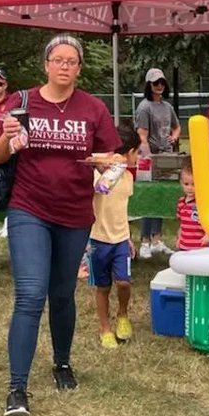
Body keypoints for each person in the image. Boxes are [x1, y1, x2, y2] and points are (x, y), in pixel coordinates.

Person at [0, 34, 118, 416]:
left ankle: (62, 363)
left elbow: (112, 158)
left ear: (79, 68)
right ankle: (17, 388)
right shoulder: (23, 101)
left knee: (62, 294)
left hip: (75, 211)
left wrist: (103, 163)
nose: (64, 66)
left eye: (71, 61)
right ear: (46, 65)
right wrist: (7, 138)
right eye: (57, 60)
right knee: (30, 294)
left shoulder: (93, 108)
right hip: (29, 208)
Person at [88, 123, 141, 350]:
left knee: (123, 282)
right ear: (128, 153)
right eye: (137, 152)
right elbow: (99, 188)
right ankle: (105, 328)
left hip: (120, 239)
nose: (139, 157)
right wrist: (102, 168)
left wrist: (128, 237)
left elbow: (121, 208)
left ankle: (122, 314)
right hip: (98, 239)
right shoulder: (96, 173)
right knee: (102, 287)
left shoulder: (129, 178)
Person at [134, 67, 181, 258]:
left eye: (162, 82)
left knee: (162, 197)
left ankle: (157, 239)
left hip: (167, 158)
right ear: (149, 85)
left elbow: (177, 127)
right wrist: (147, 158)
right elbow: (142, 136)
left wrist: (174, 137)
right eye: (155, 83)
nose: (159, 86)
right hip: (150, 158)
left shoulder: (167, 107)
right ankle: (145, 240)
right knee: (149, 198)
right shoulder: (144, 107)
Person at [175, 157, 209, 251]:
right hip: (184, 246)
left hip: (200, 247)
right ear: (181, 183)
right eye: (186, 184)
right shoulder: (181, 202)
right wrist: (179, 238)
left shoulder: (203, 203)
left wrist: (208, 235)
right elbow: (182, 224)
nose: (190, 188)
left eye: (193, 184)